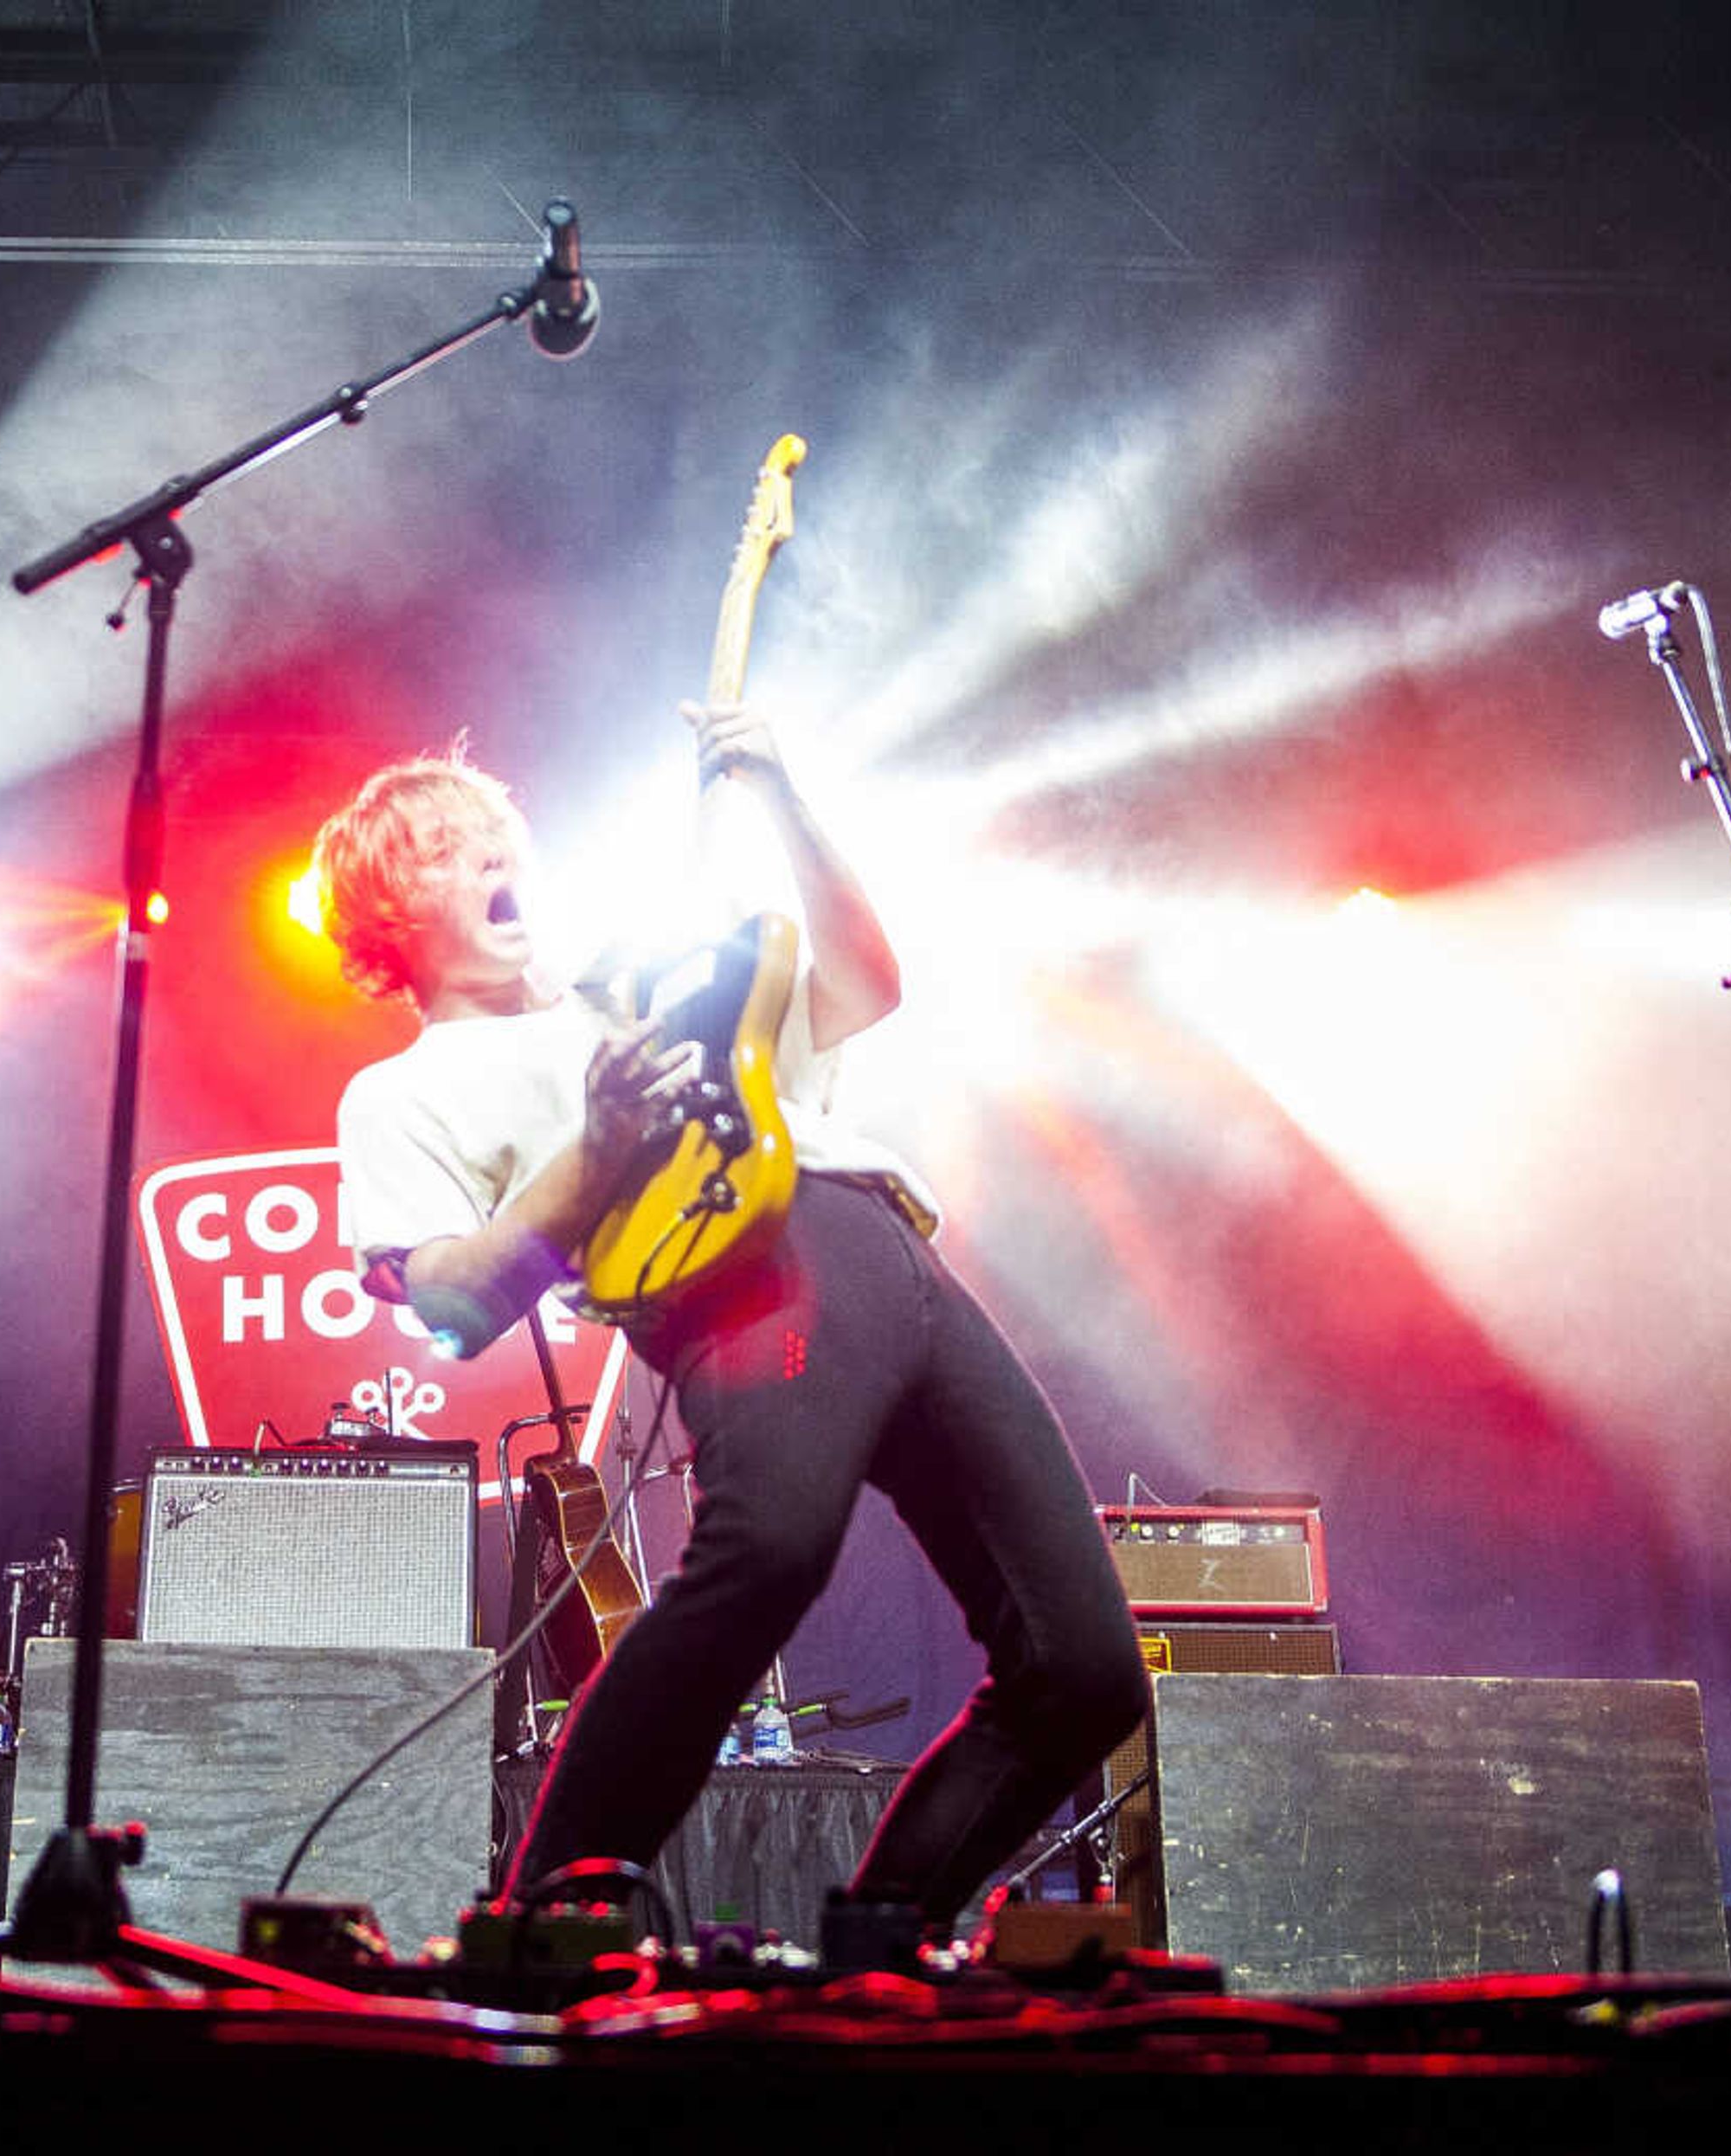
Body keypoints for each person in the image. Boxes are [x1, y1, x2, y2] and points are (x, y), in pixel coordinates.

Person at [318, 706, 1150, 1932]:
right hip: (746, 1283)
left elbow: (869, 982)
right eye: (446, 851)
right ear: (390, 920)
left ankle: (886, 1935)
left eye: (498, 836)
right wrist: (593, 1154)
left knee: (1087, 1671)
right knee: (766, 1548)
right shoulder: (402, 1093)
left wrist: (780, 792)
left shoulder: (650, 991)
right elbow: (450, 1302)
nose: (494, 858)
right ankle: (551, 1908)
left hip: (892, 1253)